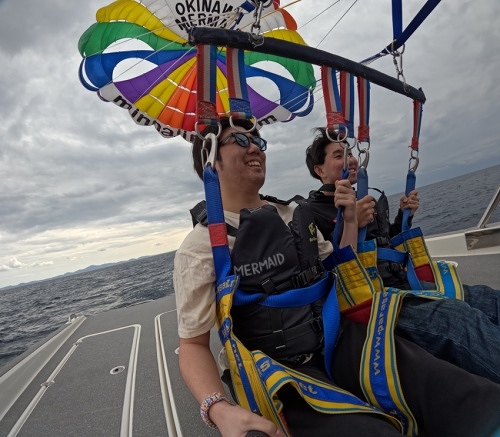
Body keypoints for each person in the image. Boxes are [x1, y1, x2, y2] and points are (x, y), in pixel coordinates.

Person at [173, 118, 500, 437]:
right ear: (210, 158)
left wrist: (350, 219)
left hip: (336, 336)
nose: (255, 148)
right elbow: (193, 345)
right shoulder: (200, 248)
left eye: (258, 141)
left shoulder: (293, 214)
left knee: (463, 395)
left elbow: (340, 269)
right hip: (279, 369)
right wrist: (219, 408)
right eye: (241, 140)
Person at [305, 126, 500, 384]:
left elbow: (386, 240)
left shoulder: (365, 198)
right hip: (376, 301)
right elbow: (330, 273)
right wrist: (351, 224)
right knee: (461, 320)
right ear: (320, 170)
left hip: (405, 285)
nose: (350, 160)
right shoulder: (311, 213)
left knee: (487, 298)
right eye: (338, 155)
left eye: (349, 153)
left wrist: (404, 215)